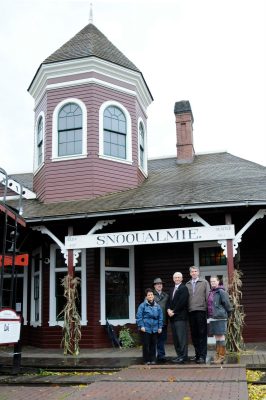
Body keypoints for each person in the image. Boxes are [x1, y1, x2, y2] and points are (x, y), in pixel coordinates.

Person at [186, 265, 210, 364]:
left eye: (196, 271)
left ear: (198, 272)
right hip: (191, 311)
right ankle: (197, 354)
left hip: (201, 311)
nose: (194, 273)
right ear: (190, 273)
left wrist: (208, 312)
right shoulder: (187, 284)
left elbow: (208, 297)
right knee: (194, 334)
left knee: (202, 334)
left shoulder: (204, 282)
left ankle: (203, 356)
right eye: (192, 271)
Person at [207, 276, 233, 364]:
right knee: (217, 337)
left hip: (220, 317)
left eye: (214, 281)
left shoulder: (221, 291)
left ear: (218, 282)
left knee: (221, 336)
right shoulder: (211, 292)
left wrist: (228, 314)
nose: (212, 283)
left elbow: (227, 304)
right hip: (213, 317)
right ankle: (218, 355)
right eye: (211, 281)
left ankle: (222, 356)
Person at [136, 288, 163, 365]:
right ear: (146, 296)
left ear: (153, 296)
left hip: (154, 328)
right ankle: (146, 360)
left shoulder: (157, 306)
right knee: (146, 345)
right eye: (149, 295)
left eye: (151, 295)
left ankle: (153, 359)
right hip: (145, 328)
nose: (150, 296)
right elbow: (139, 317)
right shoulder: (142, 305)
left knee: (153, 345)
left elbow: (160, 317)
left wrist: (160, 327)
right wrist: (141, 326)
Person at [167, 272, 189, 364]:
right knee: (176, 339)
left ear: (182, 278)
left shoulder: (184, 288)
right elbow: (168, 301)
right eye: (175, 277)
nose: (177, 279)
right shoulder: (171, 289)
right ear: (173, 279)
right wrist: (168, 309)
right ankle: (179, 355)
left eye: (178, 277)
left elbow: (182, 302)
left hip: (180, 317)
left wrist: (174, 311)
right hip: (172, 318)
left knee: (181, 338)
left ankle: (183, 356)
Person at [153, 277, 169, 362]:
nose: (159, 285)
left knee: (162, 340)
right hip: (153, 322)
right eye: (157, 284)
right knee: (154, 339)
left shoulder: (166, 296)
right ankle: (153, 355)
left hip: (163, 321)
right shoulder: (150, 295)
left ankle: (161, 355)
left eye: (160, 284)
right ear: (154, 286)